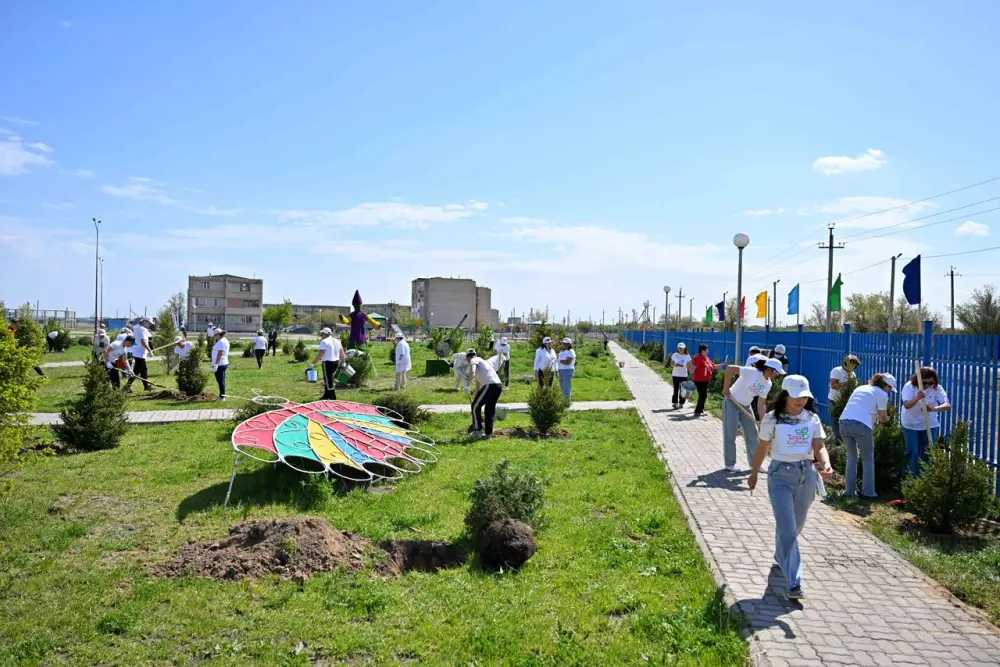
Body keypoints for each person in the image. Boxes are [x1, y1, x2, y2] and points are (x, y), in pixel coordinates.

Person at [748, 375, 833, 600]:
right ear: (785, 395)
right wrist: (754, 473)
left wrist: (825, 463)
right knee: (787, 529)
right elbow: (762, 447)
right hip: (780, 476)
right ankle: (794, 583)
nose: (801, 401)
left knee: (795, 525)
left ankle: (781, 553)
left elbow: (819, 445)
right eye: (796, 397)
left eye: (804, 397)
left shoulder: (812, 418)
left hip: (806, 475)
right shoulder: (772, 419)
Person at [722, 357, 786, 472]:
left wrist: (763, 423)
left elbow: (761, 403)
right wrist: (726, 387)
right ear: (770, 369)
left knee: (753, 434)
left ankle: (755, 464)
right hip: (732, 402)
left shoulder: (768, 384)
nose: (777, 375)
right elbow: (730, 369)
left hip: (746, 407)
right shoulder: (752, 372)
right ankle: (729, 464)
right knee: (730, 434)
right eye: (777, 372)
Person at [839, 372, 896, 498]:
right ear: (885, 385)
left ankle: (849, 491)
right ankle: (868, 492)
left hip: (843, 422)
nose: (889, 391)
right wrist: (888, 418)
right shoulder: (882, 394)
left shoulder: (861, 388)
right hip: (861, 424)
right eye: (890, 388)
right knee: (867, 458)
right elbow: (883, 418)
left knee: (852, 457)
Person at [901, 368, 950, 477]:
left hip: (930, 422)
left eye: (930, 382)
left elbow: (947, 404)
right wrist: (917, 398)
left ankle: (923, 477)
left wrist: (933, 409)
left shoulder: (937, 388)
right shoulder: (909, 386)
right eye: (924, 383)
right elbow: (907, 405)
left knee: (927, 450)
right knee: (913, 450)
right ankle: (909, 477)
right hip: (911, 423)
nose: (928, 385)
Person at [467, 350, 503, 437]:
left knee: (475, 406)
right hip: (498, 385)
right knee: (489, 409)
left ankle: (478, 430)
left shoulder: (474, 360)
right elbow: (478, 386)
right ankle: (488, 434)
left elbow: (472, 372)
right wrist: (476, 397)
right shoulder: (483, 365)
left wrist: (467, 385)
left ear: (467, 357)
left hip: (489, 385)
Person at [828, 354, 861, 443]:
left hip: (846, 401)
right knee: (836, 422)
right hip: (835, 400)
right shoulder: (837, 371)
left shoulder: (852, 374)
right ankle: (838, 443)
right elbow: (833, 385)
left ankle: (846, 442)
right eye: (854, 366)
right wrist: (847, 384)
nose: (854, 369)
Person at [310, 327, 346, 400]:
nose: (321, 335)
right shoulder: (337, 341)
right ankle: (326, 395)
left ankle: (332, 397)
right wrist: (343, 363)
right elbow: (342, 353)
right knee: (328, 379)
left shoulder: (324, 342)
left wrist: (313, 363)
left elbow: (320, 354)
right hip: (336, 362)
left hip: (327, 363)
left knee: (329, 380)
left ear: (324, 334)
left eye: (321, 334)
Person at [691, 344, 726, 416]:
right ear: (702, 350)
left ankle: (700, 410)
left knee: (704, 395)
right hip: (699, 380)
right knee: (703, 395)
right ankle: (697, 411)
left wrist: (722, 364)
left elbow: (713, 366)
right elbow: (693, 368)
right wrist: (690, 372)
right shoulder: (698, 358)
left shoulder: (706, 358)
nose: (708, 351)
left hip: (705, 380)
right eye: (707, 350)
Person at [126, 316, 154, 392]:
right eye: (149, 323)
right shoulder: (142, 329)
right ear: (145, 322)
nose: (149, 325)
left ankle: (146, 386)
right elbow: (143, 341)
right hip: (140, 353)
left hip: (137, 352)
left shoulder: (136, 327)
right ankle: (126, 387)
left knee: (143, 370)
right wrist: (150, 350)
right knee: (136, 371)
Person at [669, 342, 694, 409]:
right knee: (676, 389)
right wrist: (674, 365)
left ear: (684, 348)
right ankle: (675, 403)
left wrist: (691, 371)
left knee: (683, 390)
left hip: (684, 375)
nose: (680, 349)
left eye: (682, 348)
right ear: (677, 348)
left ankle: (681, 403)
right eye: (679, 348)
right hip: (675, 374)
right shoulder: (675, 355)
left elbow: (689, 365)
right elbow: (671, 363)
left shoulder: (687, 356)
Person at [211, 329, 231, 400]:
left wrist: (216, 364)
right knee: (221, 381)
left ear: (218, 334)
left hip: (220, 364)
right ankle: (222, 395)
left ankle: (222, 397)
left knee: (220, 381)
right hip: (222, 363)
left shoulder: (221, 341)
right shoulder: (224, 340)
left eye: (215, 335)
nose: (215, 337)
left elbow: (220, 353)